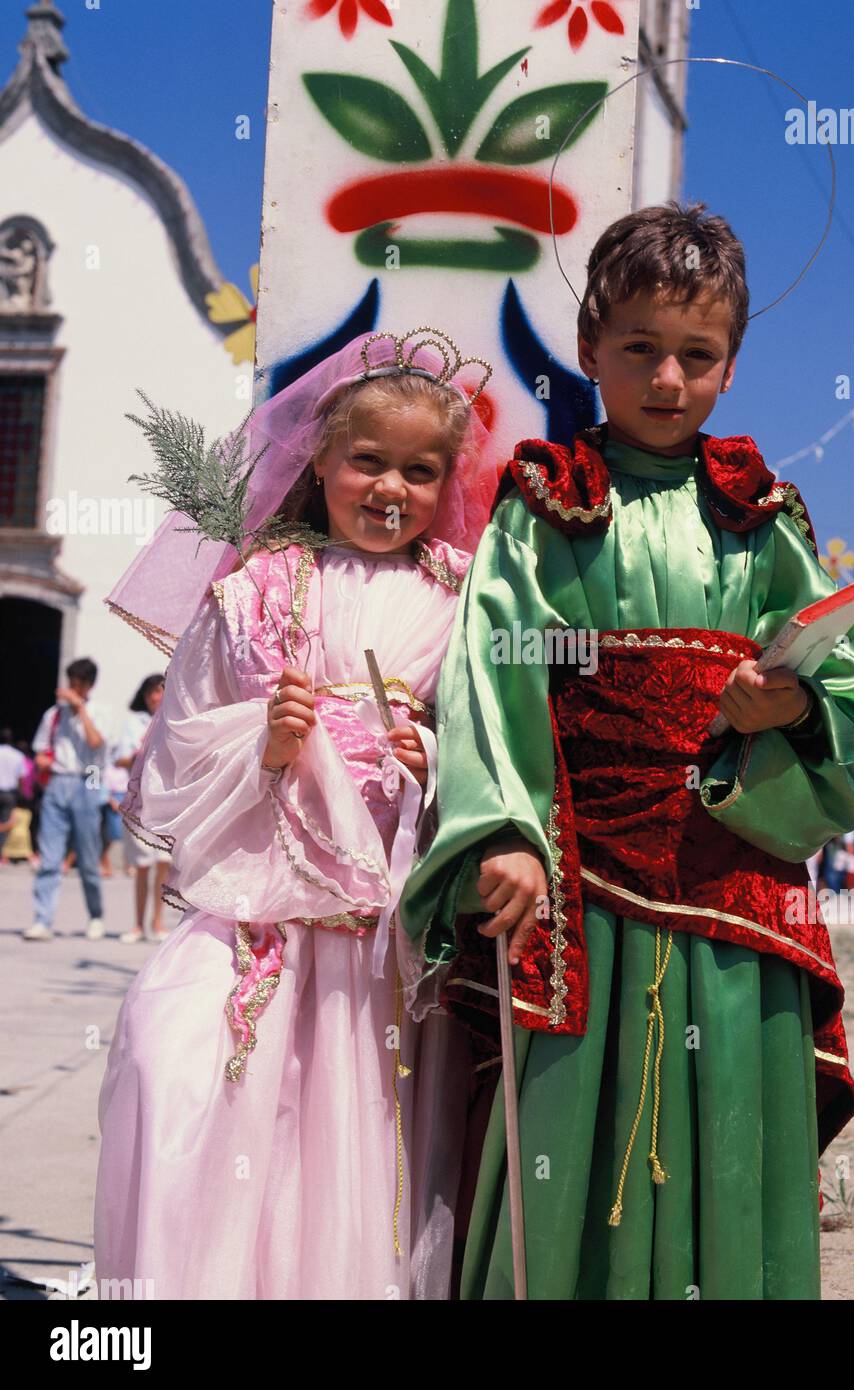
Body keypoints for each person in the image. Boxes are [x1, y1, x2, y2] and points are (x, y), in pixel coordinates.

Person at [400, 202, 854, 1299]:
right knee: (574, 1114)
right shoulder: (542, 506)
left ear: (730, 365)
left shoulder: (762, 518)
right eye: (639, 349)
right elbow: (493, 672)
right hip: (581, 879)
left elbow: (850, 689)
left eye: (695, 355)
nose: (665, 377)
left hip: (734, 880)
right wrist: (504, 831)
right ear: (588, 347)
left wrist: (792, 714)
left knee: (726, 1114)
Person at [94, 328, 496, 1300]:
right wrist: (266, 743)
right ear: (319, 461)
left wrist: (433, 761)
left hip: (380, 944)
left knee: (353, 1141)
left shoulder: (461, 604)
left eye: (419, 469)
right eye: (368, 460)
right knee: (172, 1059)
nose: (390, 487)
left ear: (449, 483)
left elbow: (503, 755)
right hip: (259, 914)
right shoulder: (255, 591)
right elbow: (175, 752)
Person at [23, 659, 114, 941]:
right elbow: (41, 747)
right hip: (59, 779)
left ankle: (95, 915)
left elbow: (97, 743)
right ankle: (43, 919)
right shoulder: (53, 714)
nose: (72, 689)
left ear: (89, 685)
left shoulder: (100, 711)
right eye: (70, 682)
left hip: (89, 776)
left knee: (88, 854)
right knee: (50, 855)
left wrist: (80, 709)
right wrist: (41, 760)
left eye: (78, 684)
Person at [113, 675, 173, 944]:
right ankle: (137, 924)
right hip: (140, 801)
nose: (155, 697)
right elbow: (120, 758)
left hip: (167, 801)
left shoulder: (176, 720)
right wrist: (139, 754)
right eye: (151, 692)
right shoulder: (133, 723)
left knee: (163, 863)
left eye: (160, 691)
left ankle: (157, 922)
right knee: (142, 865)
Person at [0, 727, 30, 856]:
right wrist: (21, 793)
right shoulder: (17, 755)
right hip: (9, 794)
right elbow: (21, 777)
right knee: (6, 823)